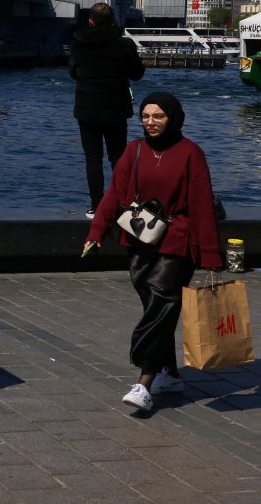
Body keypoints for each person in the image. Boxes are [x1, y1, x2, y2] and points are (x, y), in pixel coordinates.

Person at [84, 92, 221, 413]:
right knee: (157, 308)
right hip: (139, 237)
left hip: (177, 241)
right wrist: (96, 232)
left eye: (158, 116)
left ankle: (144, 381)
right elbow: (114, 193)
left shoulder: (191, 153)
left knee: (160, 301)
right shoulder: (135, 150)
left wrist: (211, 255)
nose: (151, 122)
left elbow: (202, 205)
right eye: (145, 116)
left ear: (172, 117)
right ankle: (170, 374)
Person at [69, 2, 145, 218]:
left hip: (87, 109)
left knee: (93, 159)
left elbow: (73, 73)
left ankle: (96, 206)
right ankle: (123, 203)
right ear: (113, 21)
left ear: (90, 21)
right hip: (116, 108)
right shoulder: (125, 45)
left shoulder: (78, 43)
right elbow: (137, 74)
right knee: (118, 158)